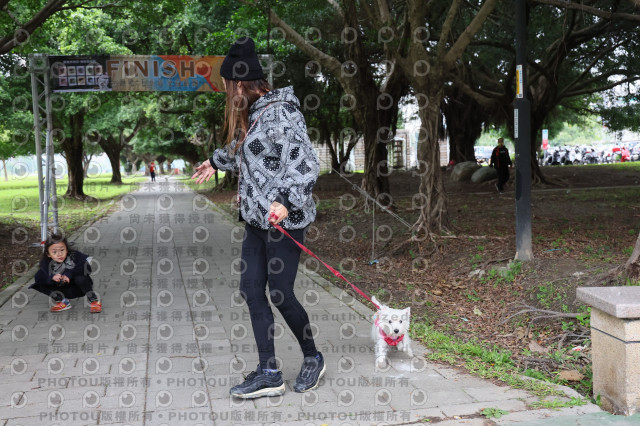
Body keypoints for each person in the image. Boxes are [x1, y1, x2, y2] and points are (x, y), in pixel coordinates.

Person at [191, 36, 324, 399]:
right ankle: (269, 372)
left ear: (239, 83)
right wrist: (214, 161)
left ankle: (313, 356)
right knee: (251, 290)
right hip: (255, 220)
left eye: (227, 85)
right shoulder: (255, 113)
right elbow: (244, 149)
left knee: (280, 293)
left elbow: (307, 165)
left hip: (284, 221)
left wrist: (286, 201)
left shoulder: (282, 112)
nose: (227, 92)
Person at [30, 232, 101, 313]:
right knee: (39, 283)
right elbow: (38, 277)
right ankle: (63, 302)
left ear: (66, 249)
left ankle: (94, 301)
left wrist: (69, 274)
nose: (59, 254)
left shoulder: (75, 256)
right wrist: (52, 277)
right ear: (48, 254)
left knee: (80, 278)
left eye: (62, 250)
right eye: (54, 252)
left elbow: (87, 268)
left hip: (78, 287)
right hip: (62, 289)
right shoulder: (46, 263)